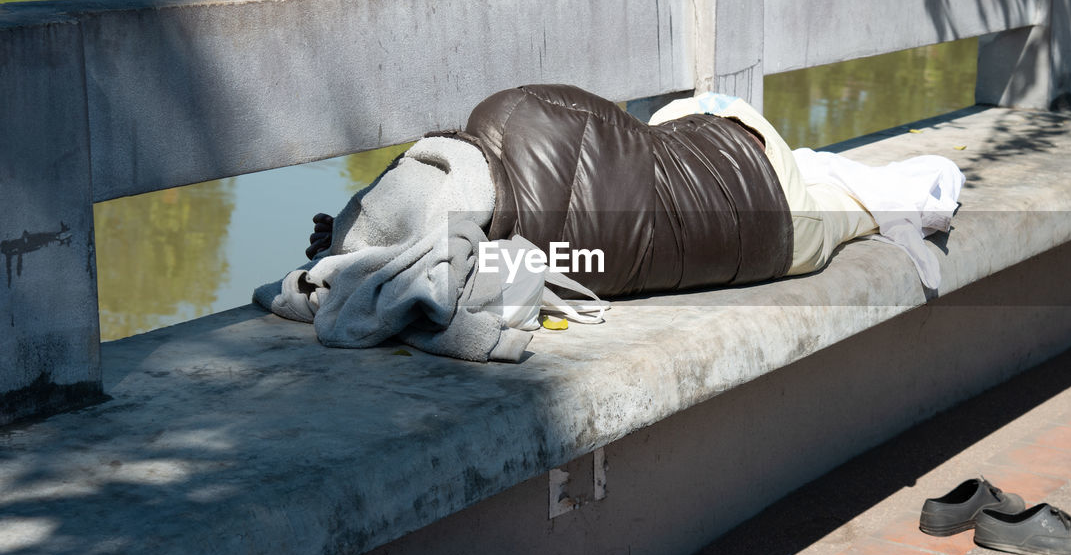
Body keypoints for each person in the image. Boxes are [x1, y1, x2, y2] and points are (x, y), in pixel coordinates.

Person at [258, 84, 962, 362]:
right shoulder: (515, 114)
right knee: (706, 127)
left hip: (777, 241)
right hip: (763, 199)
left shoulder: (506, 262)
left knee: (841, 194)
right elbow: (619, 136)